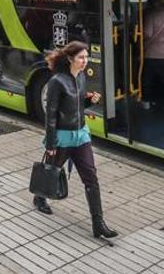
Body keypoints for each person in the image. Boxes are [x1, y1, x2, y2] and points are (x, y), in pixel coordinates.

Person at [33, 41, 118, 239]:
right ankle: (39, 196)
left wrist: (89, 100)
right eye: (81, 57)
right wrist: (51, 143)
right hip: (62, 138)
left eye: (86, 57)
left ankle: (98, 223)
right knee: (52, 170)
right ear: (70, 58)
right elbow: (51, 115)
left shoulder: (80, 78)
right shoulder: (57, 82)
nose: (85, 61)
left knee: (91, 178)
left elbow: (77, 105)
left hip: (81, 135)